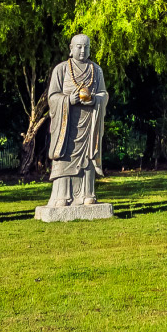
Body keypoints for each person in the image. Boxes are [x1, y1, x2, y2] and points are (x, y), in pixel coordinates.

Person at [46, 33, 109, 206]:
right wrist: (68, 100)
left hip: (89, 121)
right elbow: (52, 97)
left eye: (86, 47)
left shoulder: (96, 70)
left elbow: (104, 94)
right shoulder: (61, 69)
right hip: (66, 124)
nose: (82, 51)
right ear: (71, 48)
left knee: (88, 156)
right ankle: (63, 196)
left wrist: (95, 99)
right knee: (66, 154)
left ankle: (87, 193)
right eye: (79, 47)